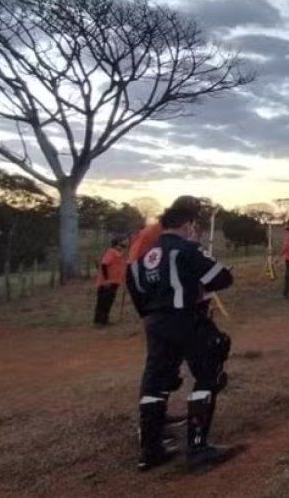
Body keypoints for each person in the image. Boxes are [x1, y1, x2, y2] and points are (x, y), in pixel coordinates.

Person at [125, 196, 234, 471]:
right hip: (185, 318)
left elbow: (135, 286)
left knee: (156, 384)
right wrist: (195, 282)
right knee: (208, 375)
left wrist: (151, 315)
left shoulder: (145, 255)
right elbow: (222, 278)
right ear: (187, 224)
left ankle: (151, 451)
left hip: (155, 323)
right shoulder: (185, 249)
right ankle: (197, 448)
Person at [94, 236, 128, 326]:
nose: (123, 245)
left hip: (114, 282)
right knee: (103, 302)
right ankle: (99, 322)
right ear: (116, 244)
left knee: (108, 302)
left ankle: (104, 320)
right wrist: (107, 280)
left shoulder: (117, 253)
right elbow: (104, 264)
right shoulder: (111, 252)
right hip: (107, 283)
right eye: (121, 243)